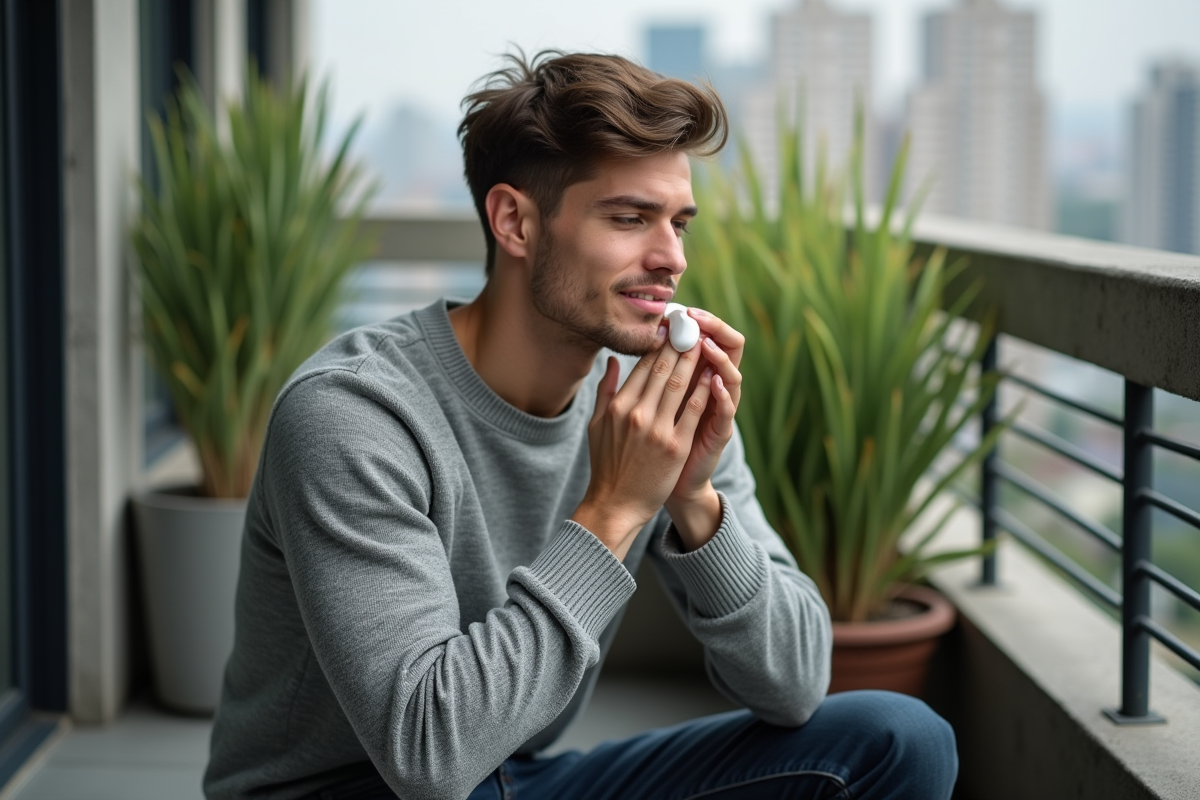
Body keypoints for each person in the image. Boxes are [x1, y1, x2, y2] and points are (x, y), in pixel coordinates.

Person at [203, 51, 958, 800]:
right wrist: (618, 508)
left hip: (507, 776)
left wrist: (696, 499)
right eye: (630, 218)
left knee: (898, 741)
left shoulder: (654, 407)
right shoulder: (354, 413)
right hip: (354, 787)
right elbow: (428, 754)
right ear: (515, 222)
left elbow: (795, 689)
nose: (671, 259)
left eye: (679, 224)